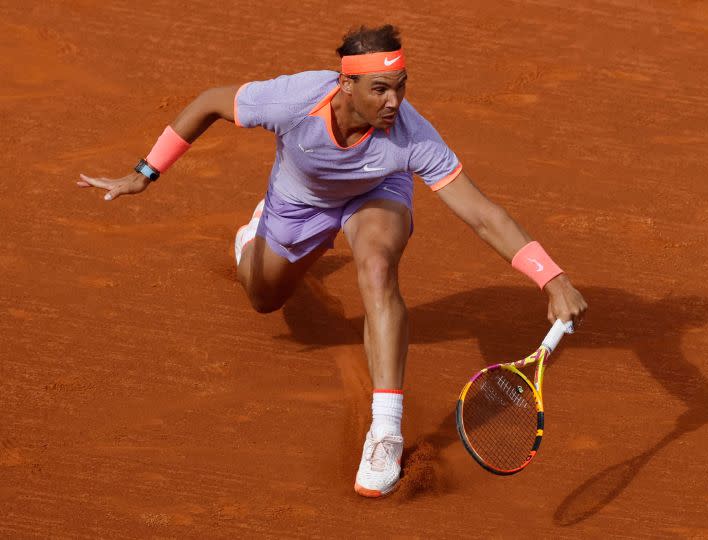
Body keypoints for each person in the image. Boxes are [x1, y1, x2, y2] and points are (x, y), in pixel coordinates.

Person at [78, 25, 588, 497]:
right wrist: (145, 172)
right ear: (346, 85)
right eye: (380, 90)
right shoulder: (292, 100)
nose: (394, 103)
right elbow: (210, 102)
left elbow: (482, 214)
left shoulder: (412, 134)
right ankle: (256, 237)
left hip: (376, 196)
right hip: (299, 201)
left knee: (377, 268)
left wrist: (552, 277)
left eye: (401, 86)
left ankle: (385, 430)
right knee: (263, 296)